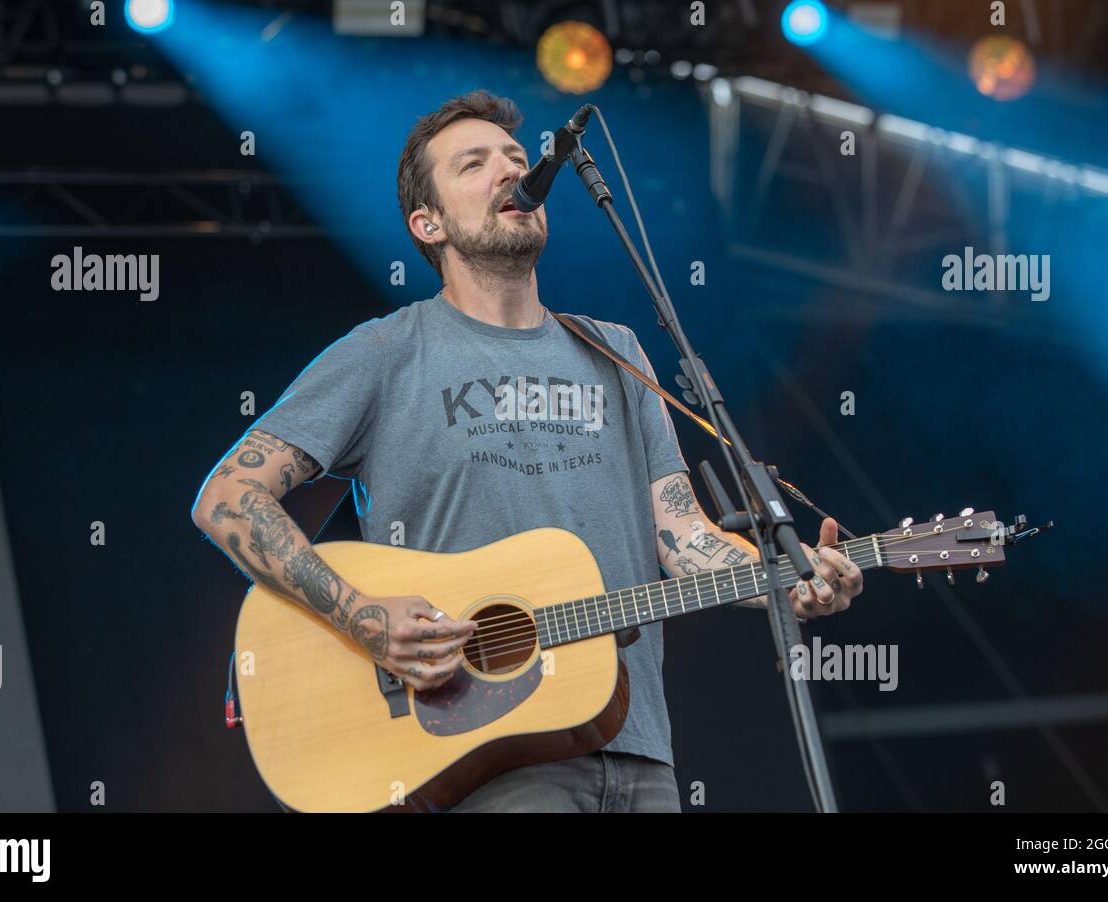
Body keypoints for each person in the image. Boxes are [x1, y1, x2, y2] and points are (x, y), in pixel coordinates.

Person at [190, 90, 862, 813]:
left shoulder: (616, 353)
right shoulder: (386, 353)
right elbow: (228, 498)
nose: (511, 174)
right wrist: (363, 616)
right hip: (481, 754)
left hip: (638, 746)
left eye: (516, 159)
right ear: (428, 222)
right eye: (473, 165)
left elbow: (684, 534)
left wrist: (783, 578)